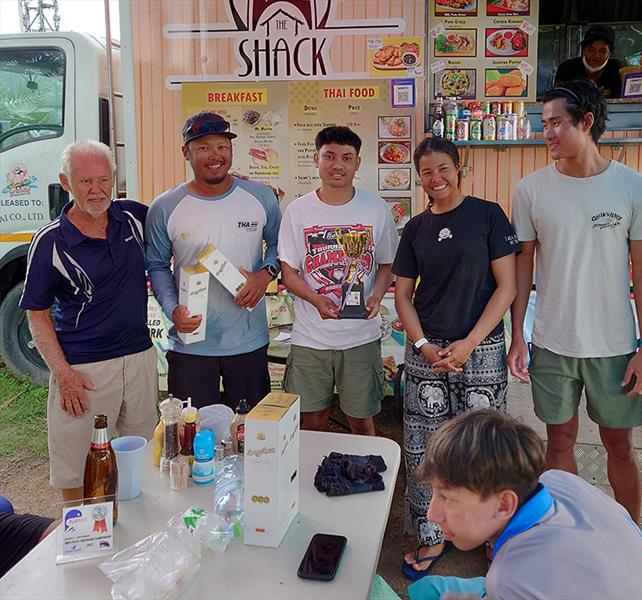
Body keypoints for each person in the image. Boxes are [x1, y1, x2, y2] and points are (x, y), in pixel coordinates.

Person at [507, 79, 642, 524]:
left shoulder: (635, 188)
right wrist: (518, 334)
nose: (547, 133)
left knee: (620, 446)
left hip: (613, 345)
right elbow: (523, 267)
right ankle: (568, 530)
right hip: (553, 340)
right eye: (544, 123)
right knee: (558, 443)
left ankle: (627, 535)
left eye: (556, 123)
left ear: (587, 122)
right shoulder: (530, 189)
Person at [392, 137, 519, 580]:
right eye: (426, 172)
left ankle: (493, 535)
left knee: (485, 445)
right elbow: (403, 296)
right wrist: (424, 344)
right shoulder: (415, 228)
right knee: (425, 447)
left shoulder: (488, 215)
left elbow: (507, 286)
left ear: (459, 167)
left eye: (443, 168)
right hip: (427, 351)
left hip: (479, 350)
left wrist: (469, 342)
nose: (436, 179)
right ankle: (433, 535)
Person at [406, 410, 642, 600]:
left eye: (448, 498)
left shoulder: (510, 577)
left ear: (504, 504)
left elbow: (522, 581)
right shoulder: (558, 480)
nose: (433, 514)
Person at [20, 140, 158, 502]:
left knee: (142, 464)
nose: (96, 190)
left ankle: (136, 540)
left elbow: (182, 210)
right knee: (78, 470)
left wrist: (228, 184)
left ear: (114, 178)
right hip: (85, 370)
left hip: (140, 359)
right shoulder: (51, 241)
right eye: (85, 182)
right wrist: (63, 374)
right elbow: (37, 313)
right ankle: (78, 538)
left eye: (103, 179)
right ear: (66, 182)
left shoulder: (131, 217)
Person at [146, 112, 281, 409]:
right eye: (203, 147)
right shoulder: (165, 207)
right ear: (186, 153)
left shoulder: (261, 197)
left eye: (222, 146)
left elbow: (278, 245)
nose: (215, 155)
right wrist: (172, 310)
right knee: (191, 437)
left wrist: (265, 274)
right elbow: (156, 265)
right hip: (191, 343)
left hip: (248, 341)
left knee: (250, 435)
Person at [277, 125, 398, 435]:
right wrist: (316, 299)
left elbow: (386, 265)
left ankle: (366, 479)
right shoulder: (297, 211)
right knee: (312, 421)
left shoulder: (376, 209)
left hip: (360, 337)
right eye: (329, 156)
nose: (337, 165)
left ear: (358, 163)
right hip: (310, 338)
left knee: (362, 421)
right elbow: (289, 273)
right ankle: (311, 481)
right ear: (316, 160)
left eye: (347, 157)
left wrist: (376, 296)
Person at [555, 24, 622, 98]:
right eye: (591, 50)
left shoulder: (618, 70)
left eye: (602, 51)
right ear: (583, 50)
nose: (596, 55)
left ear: (610, 53)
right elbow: (557, 98)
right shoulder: (566, 68)